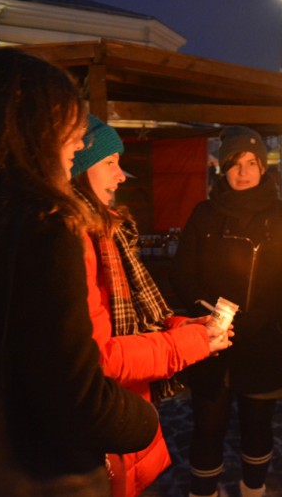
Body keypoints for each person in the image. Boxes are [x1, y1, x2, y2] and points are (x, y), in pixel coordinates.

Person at [0, 48, 158, 494]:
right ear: (37, 132)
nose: (78, 146)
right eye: (73, 135)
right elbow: (74, 400)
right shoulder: (39, 229)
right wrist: (141, 419)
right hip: (17, 471)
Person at [70, 115, 232, 497]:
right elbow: (101, 357)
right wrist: (193, 344)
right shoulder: (78, 240)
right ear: (77, 167)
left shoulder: (108, 231)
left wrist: (184, 326)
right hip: (104, 416)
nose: (121, 175)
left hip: (124, 408)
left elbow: (132, 321)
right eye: (109, 162)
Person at [170, 126, 282, 497]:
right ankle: (204, 492)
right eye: (235, 164)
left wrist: (262, 315)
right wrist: (213, 316)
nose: (243, 172)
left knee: (258, 425)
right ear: (222, 167)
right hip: (210, 341)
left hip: (264, 341)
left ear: (263, 168)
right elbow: (183, 273)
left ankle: (254, 490)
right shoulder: (204, 214)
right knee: (207, 427)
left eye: (251, 163)